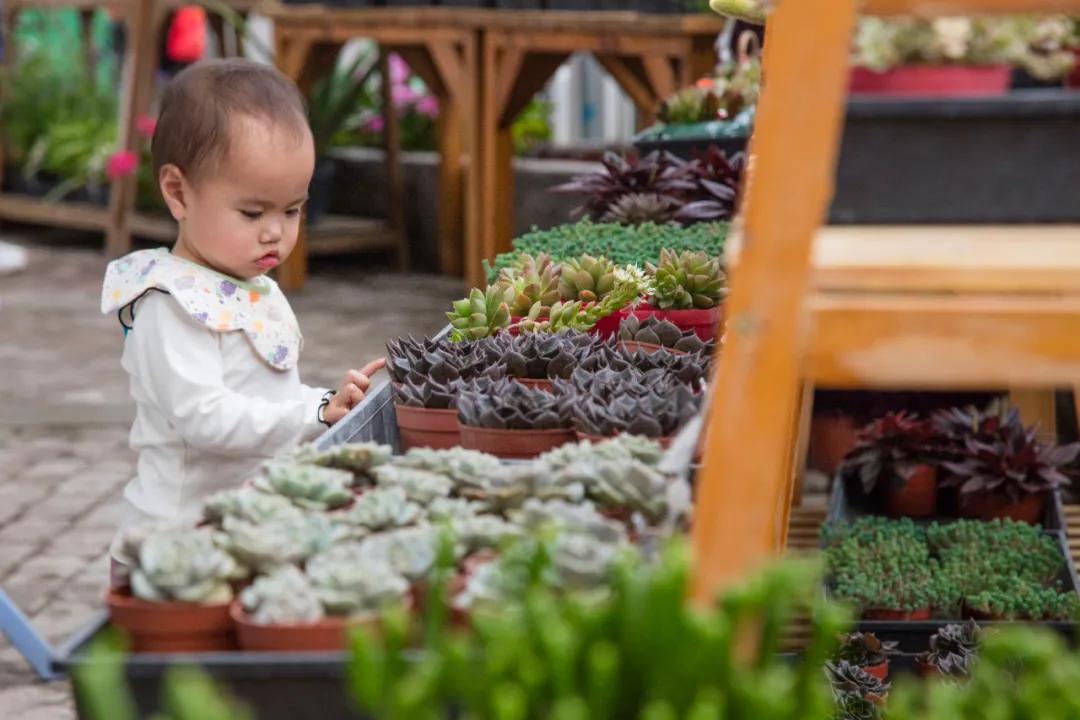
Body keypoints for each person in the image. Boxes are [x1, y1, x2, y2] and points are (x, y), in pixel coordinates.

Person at [101, 59, 384, 586]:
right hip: (175, 548)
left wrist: (323, 403)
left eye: (293, 210)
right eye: (253, 214)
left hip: (242, 531)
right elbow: (207, 419)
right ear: (179, 193)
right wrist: (308, 420)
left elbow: (271, 395)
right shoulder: (171, 305)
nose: (275, 233)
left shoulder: (250, 286)